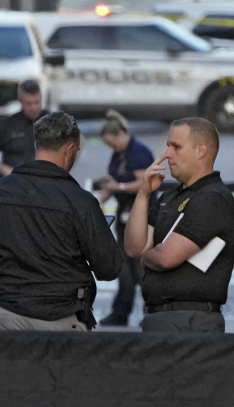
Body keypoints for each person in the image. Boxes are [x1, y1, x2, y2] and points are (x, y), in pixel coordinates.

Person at [0, 111, 124, 331]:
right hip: (63, 318)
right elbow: (109, 268)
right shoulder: (80, 201)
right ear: (71, 149)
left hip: (7, 315)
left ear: (38, 144)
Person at [124, 117, 234, 333]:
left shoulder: (214, 199)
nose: (167, 154)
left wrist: (146, 256)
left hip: (191, 320)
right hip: (158, 316)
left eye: (176, 147)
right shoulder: (168, 197)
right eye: (168, 146)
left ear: (200, 151)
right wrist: (143, 194)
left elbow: (165, 258)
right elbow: (133, 247)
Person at [97, 110, 154, 327]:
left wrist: (119, 186)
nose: (112, 148)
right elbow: (114, 180)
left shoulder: (137, 152)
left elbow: (144, 183)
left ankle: (153, 312)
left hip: (141, 213)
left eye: (112, 143)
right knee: (123, 267)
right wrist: (104, 197)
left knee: (141, 265)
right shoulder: (119, 154)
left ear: (121, 134)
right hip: (124, 212)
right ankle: (120, 311)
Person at [0, 80, 48, 177]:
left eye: (36, 102)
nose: (33, 108)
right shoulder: (8, 125)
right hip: (14, 181)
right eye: (29, 104)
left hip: (44, 180)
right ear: (20, 101)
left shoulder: (52, 121)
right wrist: (5, 170)